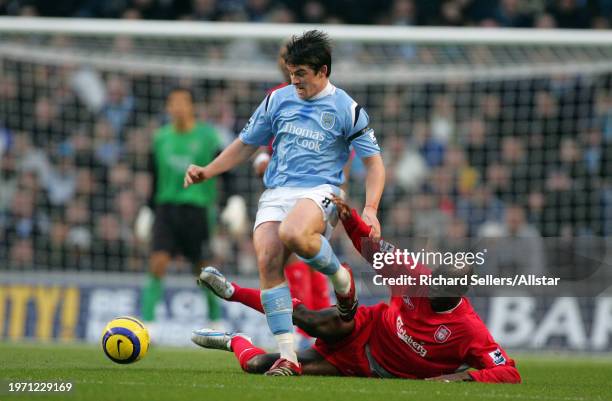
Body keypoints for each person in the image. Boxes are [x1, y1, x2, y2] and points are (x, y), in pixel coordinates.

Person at [185, 30, 385, 375]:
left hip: (322, 189)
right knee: (267, 258)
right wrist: (209, 171)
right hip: (276, 191)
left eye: (301, 75)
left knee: (294, 234)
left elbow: (374, 163)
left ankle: (341, 278)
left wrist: (370, 209)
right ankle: (288, 356)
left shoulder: (346, 108)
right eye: (291, 74)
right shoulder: (277, 99)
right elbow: (246, 144)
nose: (295, 81)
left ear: (323, 71)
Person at [192, 197, 521, 383]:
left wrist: (462, 379)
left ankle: (234, 340)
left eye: (442, 287)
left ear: (459, 295)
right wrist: (350, 219)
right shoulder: (415, 274)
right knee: (308, 319)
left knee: (259, 365)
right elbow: (374, 250)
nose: (431, 288)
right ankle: (232, 290)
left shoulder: (469, 329)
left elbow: (509, 372)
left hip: (365, 366)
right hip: (363, 328)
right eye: (434, 279)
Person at [140, 87, 223, 330]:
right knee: (157, 262)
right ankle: (148, 324)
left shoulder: (208, 137)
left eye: (182, 102)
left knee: (203, 269)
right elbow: (154, 176)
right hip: (166, 209)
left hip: (197, 210)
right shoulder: (160, 138)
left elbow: (223, 171)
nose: (177, 107)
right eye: (172, 102)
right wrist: (148, 209)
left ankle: (215, 320)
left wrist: (231, 201)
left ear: (192, 107)